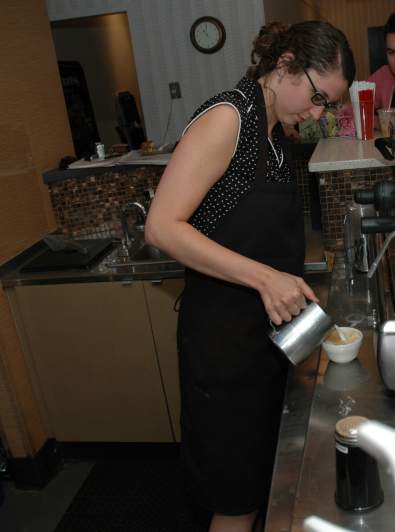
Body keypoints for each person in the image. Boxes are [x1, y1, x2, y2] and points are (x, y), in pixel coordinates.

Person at [144, 21, 355, 532]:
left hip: (262, 343)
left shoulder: (275, 139)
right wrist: (265, 278)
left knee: (261, 483)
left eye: (328, 105)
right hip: (222, 350)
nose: (316, 113)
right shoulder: (228, 119)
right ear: (285, 64)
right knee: (234, 498)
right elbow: (161, 227)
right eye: (317, 96)